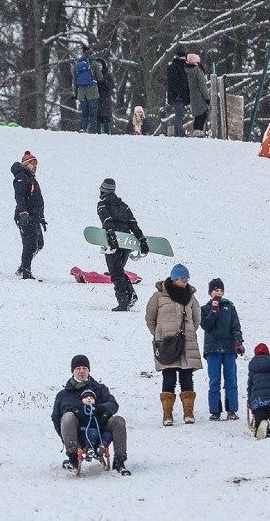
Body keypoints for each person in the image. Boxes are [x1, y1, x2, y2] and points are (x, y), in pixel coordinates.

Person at [51, 355, 130, 475]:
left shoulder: (99, 389)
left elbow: (113, 404)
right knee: (67, 417)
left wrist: (101, 409)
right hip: (77, 432)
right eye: (78, 368)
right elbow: (56, 418)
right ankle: (73, 458)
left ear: (89, 370)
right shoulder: (63, 395)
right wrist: (66, 438)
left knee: (118, 421)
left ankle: (119, 461)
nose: (81, 371)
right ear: (72, 371)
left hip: (100, 426)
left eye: (84, 368)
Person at [145, 264, 202, 426]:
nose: (186, 281)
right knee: (168, 377)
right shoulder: (158, 296)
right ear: (175, 278)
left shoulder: (190, 297)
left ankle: (188, 413)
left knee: (186, 376)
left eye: (187, 279)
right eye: (183, 278)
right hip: (166, 343)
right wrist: (159, 333)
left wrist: (189, 332)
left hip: (186, 343)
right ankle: (167, 415)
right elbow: (150, 318)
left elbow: (197, 318)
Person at [97, 178, 149, 311]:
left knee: (115, 273)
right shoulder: (123, 205)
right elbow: (133, 223)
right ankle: (130, 295)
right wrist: (141, 240)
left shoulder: (103, 205)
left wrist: (112, 238)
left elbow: (107, 221)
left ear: (103, 190)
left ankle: (123, 301)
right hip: (126, 243)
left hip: (113, 242)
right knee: (119, 271)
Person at [200, 278, 244, 421]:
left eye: (220, 290)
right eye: (215, 290)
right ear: (210, 293)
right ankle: (215, 411)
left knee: (231, 379)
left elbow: (235, 326)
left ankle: (232, 410)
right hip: (212, 349)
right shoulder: (205, 309)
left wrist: (238, 342)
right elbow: (206, 325)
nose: (218, 293)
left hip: (228, 349)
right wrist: (213, 310)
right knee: (214, 380)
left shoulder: (230, 307)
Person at [11, 151, 45, 280]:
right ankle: (26, 272)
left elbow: (37, 199)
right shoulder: (21, 177)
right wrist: (23, 213)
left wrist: (41, 217)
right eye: (32, 163)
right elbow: (19, 197)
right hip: (25, 217)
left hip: (34, 217)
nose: (35, 166)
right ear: (25, 164)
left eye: (36, 163)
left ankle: (23, 266)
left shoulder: (31, 178)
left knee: (39, 244)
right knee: (29, 245)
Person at [74, 45, 103, 133]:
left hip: (81, 93)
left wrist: (76, 93)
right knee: (93, 114)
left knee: (84, 113)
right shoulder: (94, 64)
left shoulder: (77, 65)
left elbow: (74, 80)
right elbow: (100, 78)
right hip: (92, 93)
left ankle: (82, 128)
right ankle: (93, 131)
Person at [166, 49, 190, 137]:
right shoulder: (176, 67)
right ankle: (179, 133)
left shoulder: (178, 66)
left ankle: (178, 132)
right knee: (179, 114)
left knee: (179, 114)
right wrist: (179, 93)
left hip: (179, 95)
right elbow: (175, 82)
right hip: (178, 95)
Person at [185, 53, 210, 137]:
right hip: (199, 95)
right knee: (202, 113)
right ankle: (198, 131)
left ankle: (197, 130)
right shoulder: (198, 70)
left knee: (197, 114)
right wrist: (206, 97)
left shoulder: (185, 70)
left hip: (191, 95)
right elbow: (202, 85)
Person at [96, 57, 114, 134]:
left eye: (100, 65)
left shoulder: (108, 75)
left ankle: (107, 136)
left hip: (105, 100)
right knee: (96, 119)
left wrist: (103, 81)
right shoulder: (93, 75)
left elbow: (111, 86)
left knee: (106, 118)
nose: (99, 67)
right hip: (96, 99)